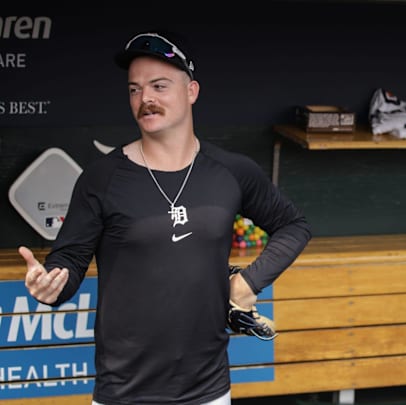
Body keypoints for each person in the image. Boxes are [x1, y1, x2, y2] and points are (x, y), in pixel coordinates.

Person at [18, 30, 312, 404]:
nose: (146, 99)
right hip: (123, 392)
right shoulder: (102, 178)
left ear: (191, 91)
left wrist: (249, 284)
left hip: (208, 390)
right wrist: (52, 284)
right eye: (134, 89)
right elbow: (70, 259)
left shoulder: (231, 171)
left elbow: (294, 226)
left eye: (159, 86)